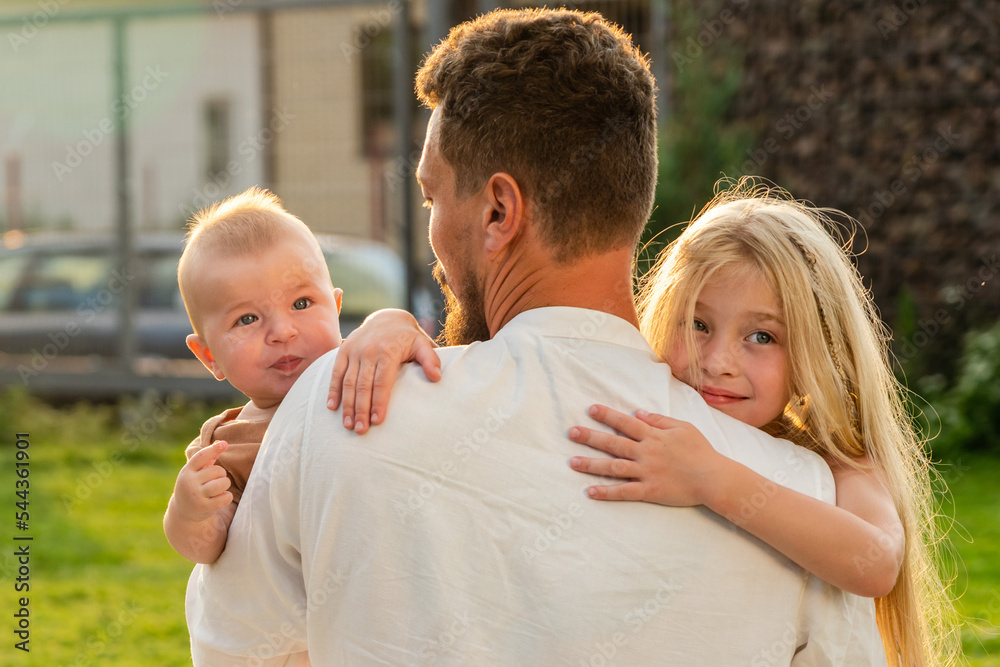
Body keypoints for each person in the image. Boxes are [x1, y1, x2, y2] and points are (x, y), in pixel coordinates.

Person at [186, 9, 886, 665]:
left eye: (432, 197)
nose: (432, 235)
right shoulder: (804, 497)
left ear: (498, 211)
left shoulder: (337, 410)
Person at [562, 183, 959, 667]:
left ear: (814, 353)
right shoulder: (640, 408)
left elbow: (876, 563)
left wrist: (711, 478)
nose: (718, 362)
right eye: (698, 324)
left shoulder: (838, 462)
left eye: (762, 336)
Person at [163, 186, 344, 565]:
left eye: (301, 303)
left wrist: (390, 325)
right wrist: (190, 512)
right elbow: (207, 548)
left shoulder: (361, 367)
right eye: (247, 319)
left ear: (336, 306)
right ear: (209, 356)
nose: (282, 331)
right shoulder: (227, 447)